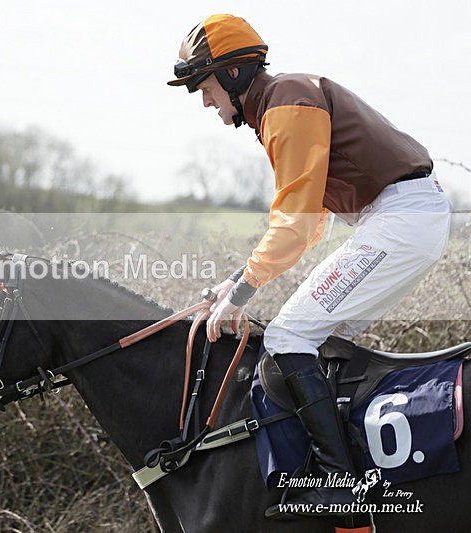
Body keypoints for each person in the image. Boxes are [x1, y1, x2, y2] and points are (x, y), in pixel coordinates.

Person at [168, 14, 451, 519]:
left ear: (233, 74)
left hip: (400, 219)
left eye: (205, 87)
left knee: (287, 337)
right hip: (404, 218)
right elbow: (310, 220)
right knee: (320, 339)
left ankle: (338, 486)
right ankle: (366, 464)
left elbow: (295, 224)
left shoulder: (286, 102)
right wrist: (237, 281)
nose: (205, 101)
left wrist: (243, 292)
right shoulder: (280, 105)